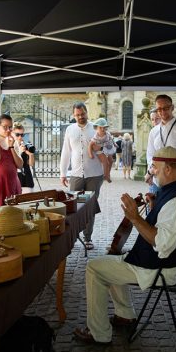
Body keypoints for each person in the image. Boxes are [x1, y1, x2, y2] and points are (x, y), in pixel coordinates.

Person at [73, 146, 176, 344]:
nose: (152, 173)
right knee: (113, 260)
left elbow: (163, 244)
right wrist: (153, 208)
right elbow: (169, 227)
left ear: (168, 169)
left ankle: (99, 333)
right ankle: (125, 315)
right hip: (169, 261)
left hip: (161, 268)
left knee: (93, 268)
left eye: (154, 168)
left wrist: (134, 218)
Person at [59, 102, 104, 250]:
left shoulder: (96, 128)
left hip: (94, 174)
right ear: (74, 115)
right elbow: (66, 152)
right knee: (74, 206)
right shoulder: (70, 130)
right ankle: (72, 236)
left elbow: (109, 147)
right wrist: (63, 173)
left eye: (82, 114)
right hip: (76, 174)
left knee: (89, 207)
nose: (80, 117)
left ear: (87, 112)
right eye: (77, 115)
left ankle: (88, 237)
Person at [88, 118, 115, 183]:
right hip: (100, 151)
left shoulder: (107, 134)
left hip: (106, 149)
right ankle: (105, 175)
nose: (102, 129)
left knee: (111, 161)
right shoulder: (96, 136)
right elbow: (90, 145)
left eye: (104, 128)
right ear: (97, 128)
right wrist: (90, 154)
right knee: (105, 162)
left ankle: (108, 174)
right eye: (100, 128)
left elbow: (111, 139)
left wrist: (114, 144)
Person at [13, 122, 35, 193]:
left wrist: (31, 155)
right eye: (17, 135)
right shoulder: (10, 146)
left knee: (28, 200)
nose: (20, 137)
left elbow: (31, 164)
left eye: (22, 134)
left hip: (27, 176)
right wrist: (20, 152)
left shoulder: (26, 144)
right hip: (15, 177)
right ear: (12, 134)